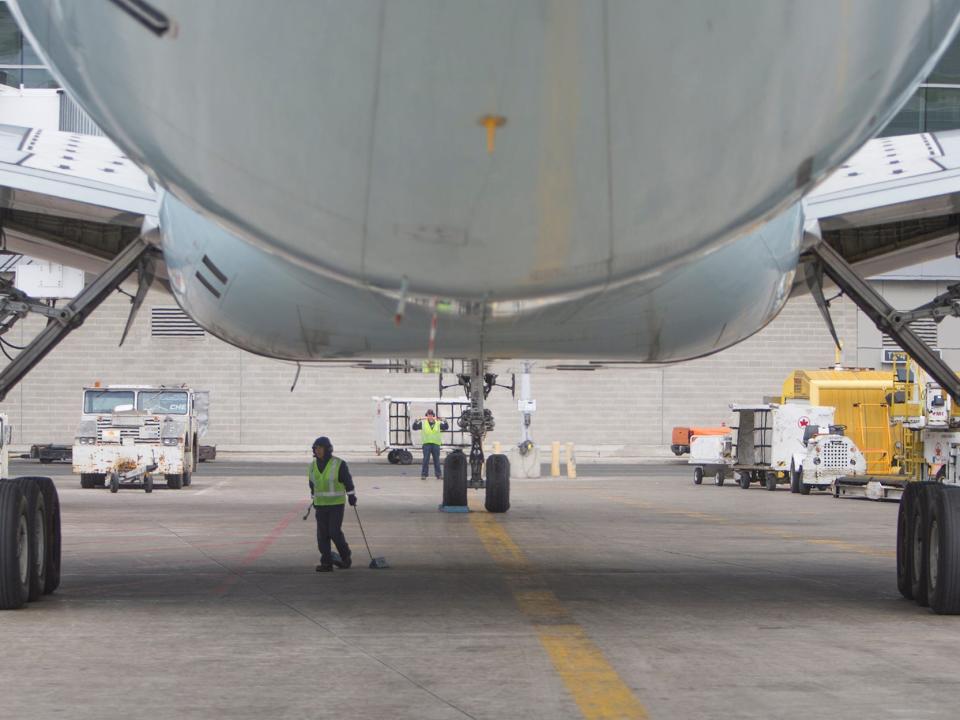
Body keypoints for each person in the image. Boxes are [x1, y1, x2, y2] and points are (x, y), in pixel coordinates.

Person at [308, 436, 356, 572]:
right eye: (315, 448)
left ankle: (345, 556)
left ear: (327, 449)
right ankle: (326, 563)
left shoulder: (338, 464)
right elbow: (312, 484)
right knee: (322, 535)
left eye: (320, 447)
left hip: (336, 504)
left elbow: (348, 481)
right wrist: (314, 499)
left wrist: (351, 495)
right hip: (320, 505)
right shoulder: (312, 466)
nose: (317, 450)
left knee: (334, 532)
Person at [411, 409, 448, 480]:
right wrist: (416, 421)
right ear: (427, 415)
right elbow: (414, 428)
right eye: (428, 415)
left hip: (435, 444)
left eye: (431, 415)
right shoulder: (423, 423)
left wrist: (444, 421)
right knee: (425, 460)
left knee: (436, 460)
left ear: (433, 415)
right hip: (426, 444)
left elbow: (446, 427)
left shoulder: (438, 423)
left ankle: (439, 475)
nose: (430, 416)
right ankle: (424, 475)